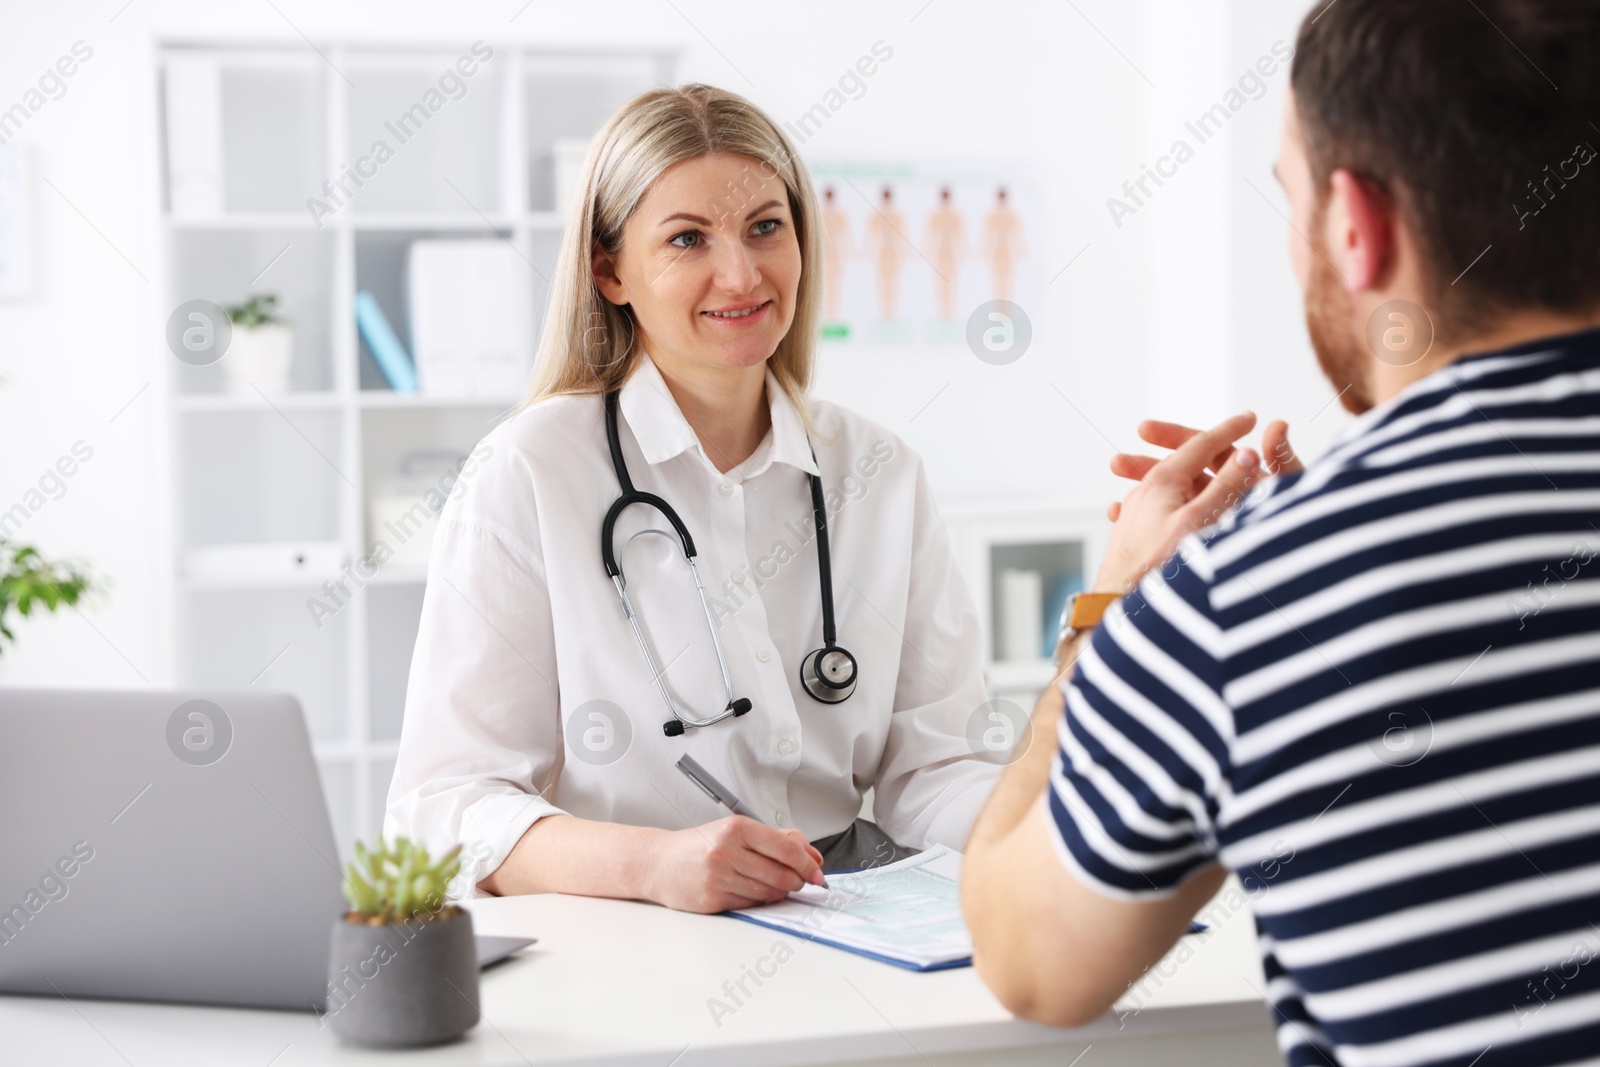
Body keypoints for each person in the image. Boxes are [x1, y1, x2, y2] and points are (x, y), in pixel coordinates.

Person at [963, 2, 1600, 1065]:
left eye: (1289, 198)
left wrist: (1116, 623)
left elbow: (1028, 957)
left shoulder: (1233, 601)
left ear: (1354, 223)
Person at [386, 84, 1001, 914]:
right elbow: (447, 807)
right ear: (610, 270)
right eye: (688, 238)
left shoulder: (880, 470)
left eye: (765, 228)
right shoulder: (529, 472)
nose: (741, 273)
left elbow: (936, 771)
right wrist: (651, 865)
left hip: (852, 913)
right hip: (624, 924)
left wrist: (1051, 811)